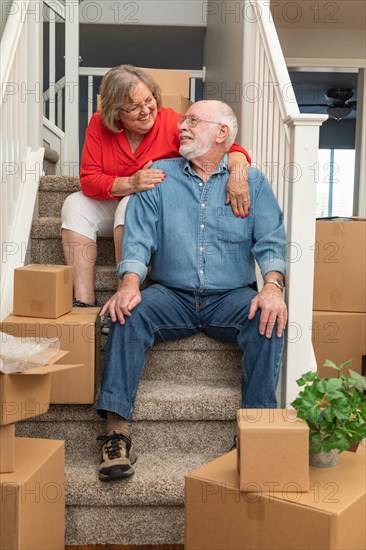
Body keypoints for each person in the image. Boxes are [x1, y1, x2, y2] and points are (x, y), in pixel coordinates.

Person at [95, 100, 287, 482]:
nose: (182, 125)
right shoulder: (159, 177)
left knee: (269, 318)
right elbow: (138, 238)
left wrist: (272, 287)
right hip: (172, 295)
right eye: (184, 119)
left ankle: (256, 432)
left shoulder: (252, 182)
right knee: (126, 312)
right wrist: (129, 283)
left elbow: (270, 242)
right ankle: (117, 434)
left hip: (230, 298)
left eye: (194, 121)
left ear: (221, 134)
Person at [61, 65, 252, 308]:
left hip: (155, 214)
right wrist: (131, 182)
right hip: (116, 197)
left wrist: (238, 172)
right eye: (133, 107)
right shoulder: (99, 124)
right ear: (115, 112)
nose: (145, 111)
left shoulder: (172, 122)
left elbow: (229, 148)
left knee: (130, 206)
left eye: (149, 100)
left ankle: (125, 298)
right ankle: (84, 300)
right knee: (74, 204)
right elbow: (89, 179)